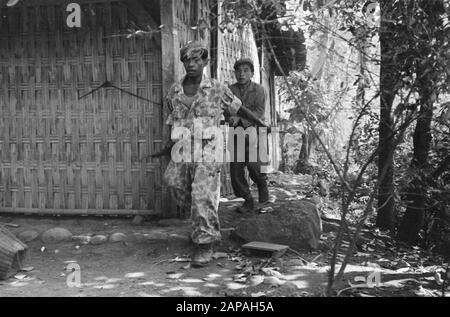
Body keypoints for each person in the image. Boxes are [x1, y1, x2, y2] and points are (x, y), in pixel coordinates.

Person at [163, 42, 264, 267]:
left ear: (205, 62)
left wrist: (259, 122)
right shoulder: (174, 90)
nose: (191, 64)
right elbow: (171, 120)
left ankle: (204, 244)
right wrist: (166, 147)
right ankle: (203, 222)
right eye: (187, 60)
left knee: (201, 193)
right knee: (174, 184)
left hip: (210, 147)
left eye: (197, 59)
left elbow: (238, 108)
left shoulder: (217, 88)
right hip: (183, 146)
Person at [229, 58, 270, 213]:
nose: (242, 74)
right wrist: (230, 117)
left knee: (256, 167)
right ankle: (248, 200)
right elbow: (226, 110)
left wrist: (240, 117)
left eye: (246, 70)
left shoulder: (259, 90)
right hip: (237, 134)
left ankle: (263, 193)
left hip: (255, 132)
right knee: (236, 171)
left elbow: (259, 112)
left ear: (252, 73)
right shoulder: (230, 90)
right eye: (238, 71)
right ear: (235, 73)